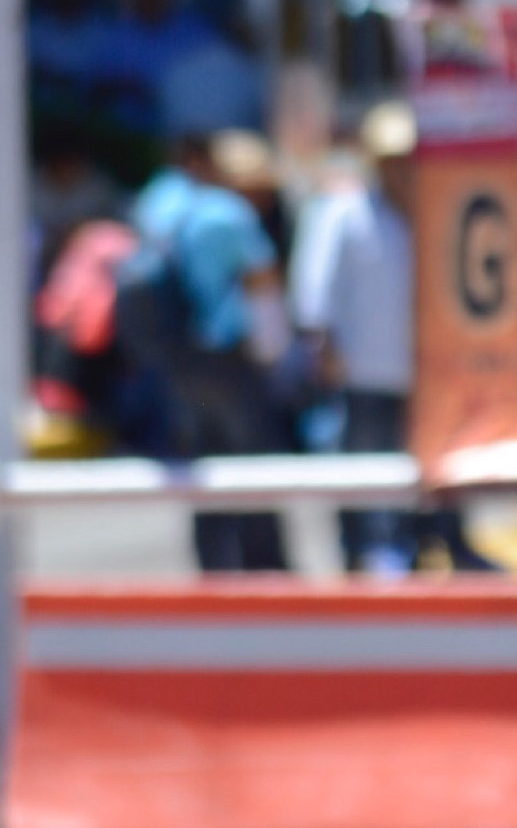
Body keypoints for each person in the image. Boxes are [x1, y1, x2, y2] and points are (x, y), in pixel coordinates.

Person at [131, 132, 291, 572]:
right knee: (255, 462)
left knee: (203, 465)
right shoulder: (233, 215)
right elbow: (262, 284)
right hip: (228, 359)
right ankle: (265, 568)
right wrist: (276, 354)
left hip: (182, 360)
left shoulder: (168, 206)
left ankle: (213, 570)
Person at [293, 103, 426, 574]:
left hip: (419, 369)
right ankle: (359, 555)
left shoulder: (426, 211)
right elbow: (314, 287)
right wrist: (325, 348)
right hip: (362, 368)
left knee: (412, 470)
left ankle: (404, 549)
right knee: (359, 467)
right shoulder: (343, 212)